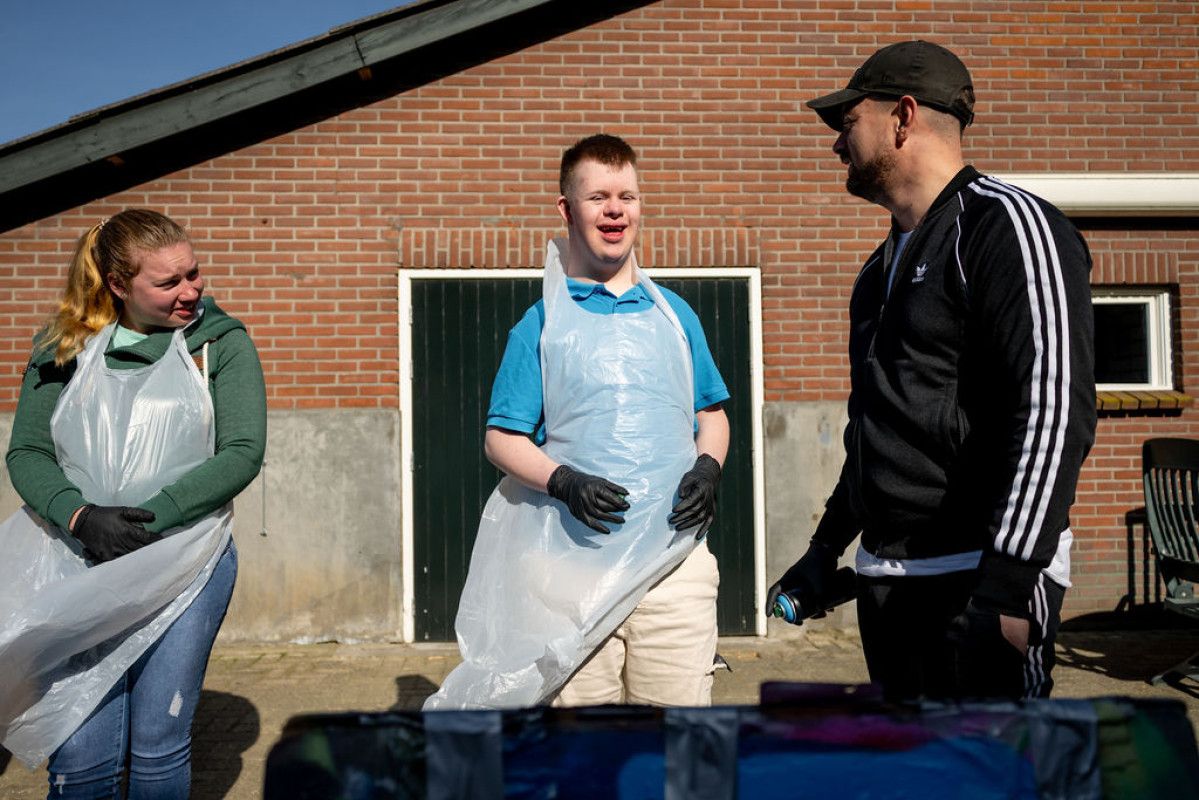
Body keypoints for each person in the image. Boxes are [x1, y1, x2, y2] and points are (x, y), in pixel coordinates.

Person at [767, 41, 1096, 701]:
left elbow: (1054, 411)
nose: (836, 144)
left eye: (847, 122)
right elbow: (877, 429)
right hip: (885, 581)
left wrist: (1005, 588)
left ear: (903, 116)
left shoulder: (1008, 227)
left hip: (979, 580)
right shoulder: (876, 271)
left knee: (990, 757)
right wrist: (825, 548)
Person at [424, 134, 730, 709]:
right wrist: (563, 481)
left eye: (627, 197)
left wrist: (709, 466)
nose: (615, 210)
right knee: (583, 747)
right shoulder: (541, 324)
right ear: (567, 210)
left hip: (675, 570)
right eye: (598, 198)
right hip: (570, 578)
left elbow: (710, 414)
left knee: (677, 739)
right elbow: (501, 438)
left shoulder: (676, 316)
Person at [1, 209, 266, 797]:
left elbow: (242, 451)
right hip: (75, 564)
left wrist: (150, 521)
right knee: (80, 748)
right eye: (168, 282)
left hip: (183, 564)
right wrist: (80, 517)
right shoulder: (64, 347)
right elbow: (28, 451)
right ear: (119, 285)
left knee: (157, 742)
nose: (191, 290)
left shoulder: (218, 344)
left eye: (193, 273)